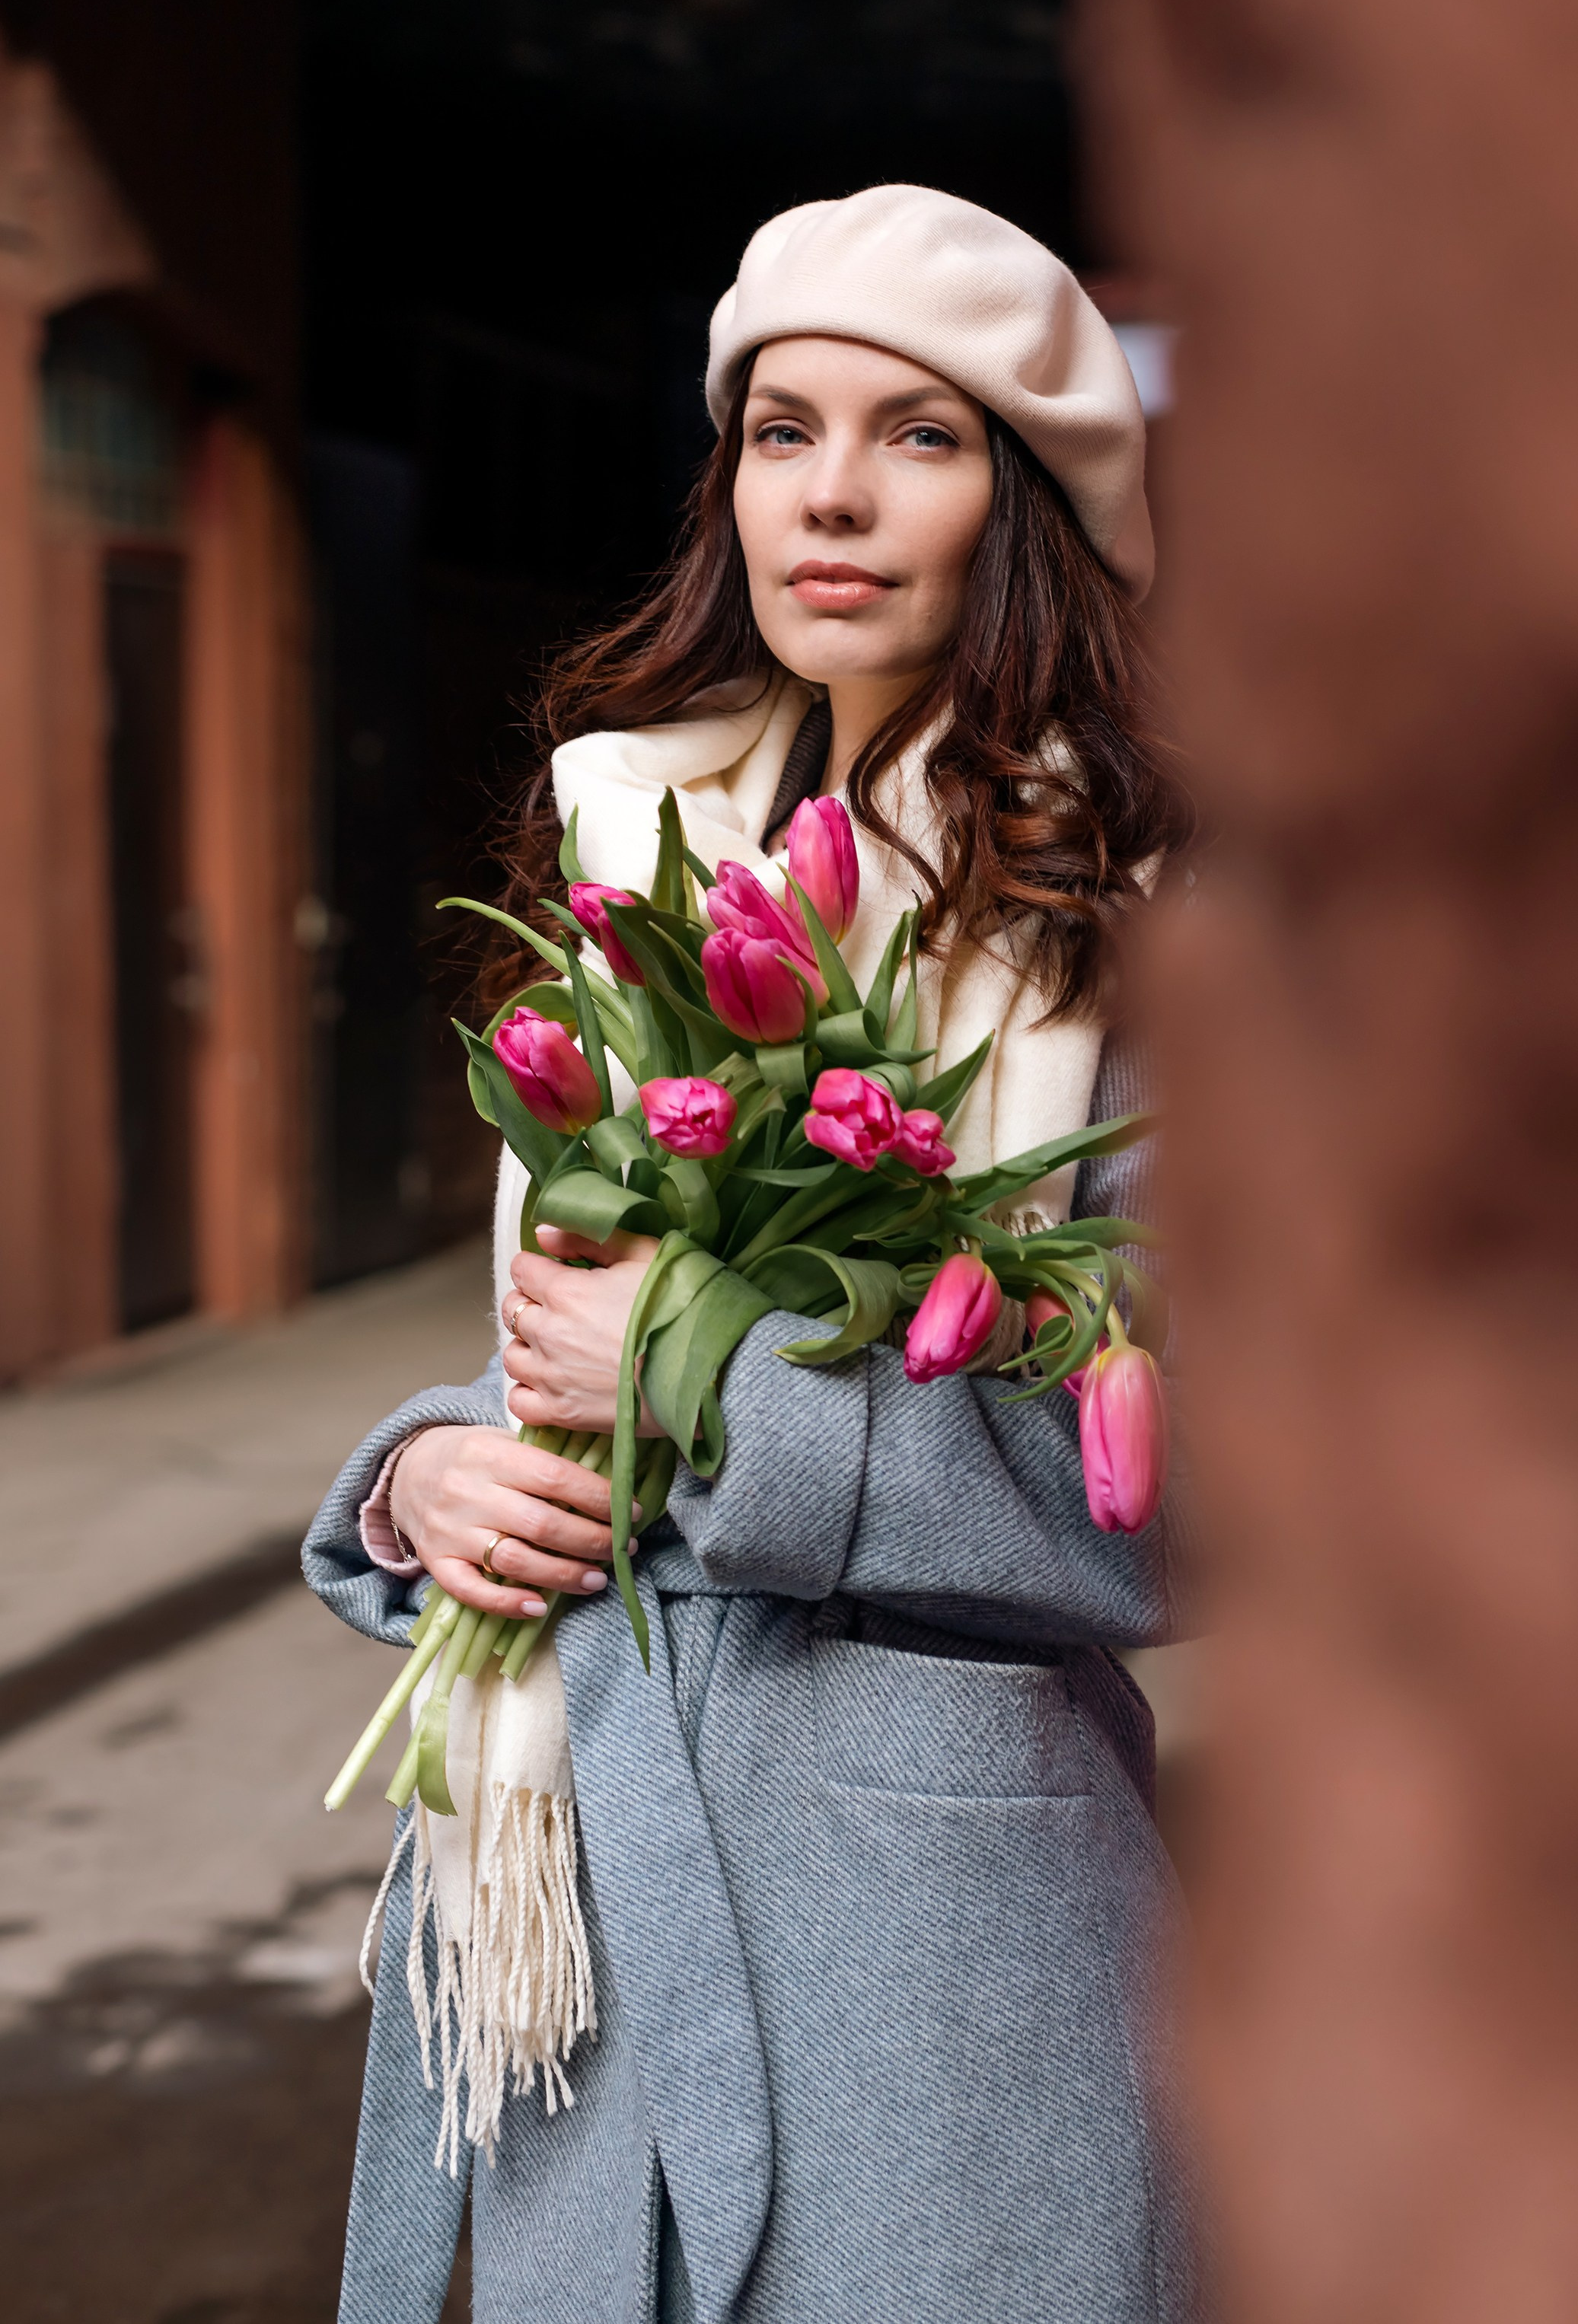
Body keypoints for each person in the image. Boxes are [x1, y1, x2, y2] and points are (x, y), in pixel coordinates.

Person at [305, 184, 1200, 2324]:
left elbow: (1199, 1521)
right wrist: (434, 1474)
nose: (833, 496)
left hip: (946, 1946)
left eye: (921, 434)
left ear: (1032, 493)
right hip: (585, 1885)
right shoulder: (633, 832)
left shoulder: (1156, 920)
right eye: (779, 429)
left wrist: (725, 1409)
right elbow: (571, 1355)